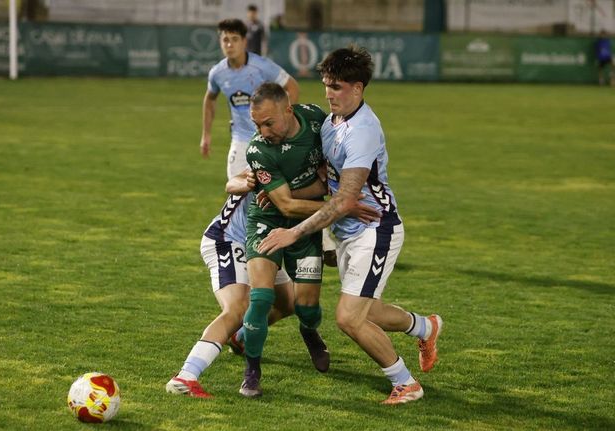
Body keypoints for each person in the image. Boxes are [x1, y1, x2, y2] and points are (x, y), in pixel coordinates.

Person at [258, 46, 443, 405]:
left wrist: (294, 231)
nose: (329, 93)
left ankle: (406, 383)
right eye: (327, 84)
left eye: (338, 86)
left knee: (348, 317)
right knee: (367, 310)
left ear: (358, 88)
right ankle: (426, 326)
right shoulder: (331, 122)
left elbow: (345, 199)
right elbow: (330, 184)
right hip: (348, 231)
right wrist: (279, 192)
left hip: (376, 229)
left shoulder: (363, 130)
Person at [238, 82, 380, 398]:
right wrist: (342, 207)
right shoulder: (259, 149)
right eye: (256, 124)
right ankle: (252, 371)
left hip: (307, 228)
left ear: (288, 110)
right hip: (267, 223)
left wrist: (325, 190)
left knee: (308, 308)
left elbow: (326, 169)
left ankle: (309, 332)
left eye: (268, 122)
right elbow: (284, 205)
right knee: (260, 299)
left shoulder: (316, 118)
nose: (262, 130)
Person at [165, 170, 327, 397]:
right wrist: (246, 183)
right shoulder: (275, 156)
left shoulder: (307, 164)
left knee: (289, 303)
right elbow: (235, 182)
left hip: (266, 244)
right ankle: (186, 376)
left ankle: (239, 336)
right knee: (238, 308)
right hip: (230, 241)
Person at [201, 18, 299, 180]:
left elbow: (292, 87)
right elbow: (210, 99)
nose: (230, 45)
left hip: (269, 139)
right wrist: (206, 134)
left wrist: (284, 121)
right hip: (240, 139)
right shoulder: (217, 73)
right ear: (220, 42)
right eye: (225, 40)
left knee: (272, 195)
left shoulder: (262, 66)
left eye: (234, 39)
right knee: (236, 191)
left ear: (244, 41)